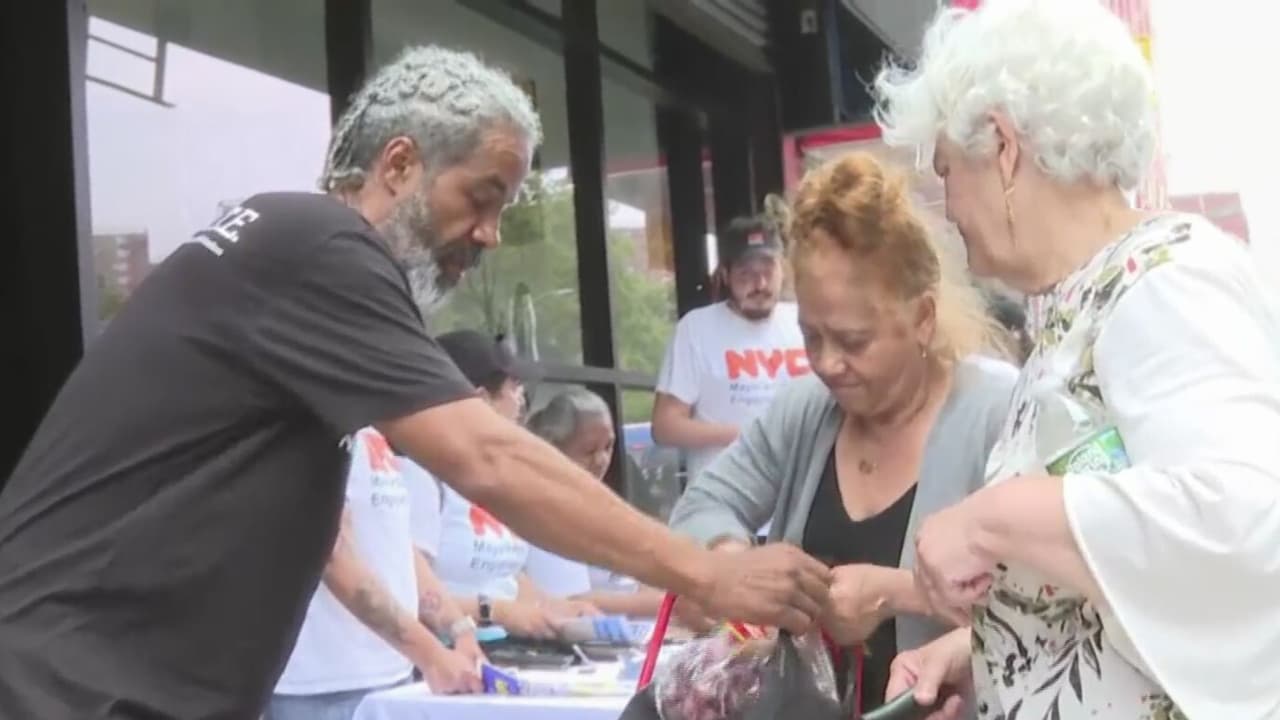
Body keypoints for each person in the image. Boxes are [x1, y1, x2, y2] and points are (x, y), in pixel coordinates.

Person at [0, 46, 831, 719]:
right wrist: (701, 570)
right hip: (68, 688)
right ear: (398, 163)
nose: (492, 234)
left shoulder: (286, 259)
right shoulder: (321, 246)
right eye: (482, 195)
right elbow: (489, 456)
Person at [872, 1, 1280, 718]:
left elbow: (1247, 522)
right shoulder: (1090, 299)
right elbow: (1130, 574)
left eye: (946, 171)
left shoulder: (1166, 279)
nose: (947, 207)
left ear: (1001, 146)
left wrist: (990, 519)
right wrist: (981, 650)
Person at [668, 151, 1017, 714]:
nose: (828, 364)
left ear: (922, 317)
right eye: (811, 337)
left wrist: (895, 592)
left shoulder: (999, 413)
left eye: (853, 341)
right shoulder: (807, 411)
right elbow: (703, 507)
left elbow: (1058, 604)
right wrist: (738, 564)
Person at [268, 428, 485, 720]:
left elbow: (396, 546)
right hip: (324, 686)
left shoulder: (370, 433)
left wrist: (459, 627)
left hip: (391, 674)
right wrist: (431, 656)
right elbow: (334, 557)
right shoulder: (319, 426)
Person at [407, 330, 595, 639]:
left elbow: (505, 575)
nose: (521, 400)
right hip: (451, 658)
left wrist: (555, 608)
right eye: (514, 388)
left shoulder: (494, 480)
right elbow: (409, 592)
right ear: (481, 400)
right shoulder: (421, 476)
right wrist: (498, 612)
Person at [652, 213, 810, 493]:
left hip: (801, 503)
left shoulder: (806, 322)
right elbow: (665, 425)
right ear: (725, 274)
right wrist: (746, 436)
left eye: (768, 270)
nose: (760, 284)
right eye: (746, 273)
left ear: (783, 269)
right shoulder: (696, 328)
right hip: (724, 503)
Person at [522, 387, 706, 628]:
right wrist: (673, 605)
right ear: (555, 449)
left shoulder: (596, 505)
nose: (601, 460)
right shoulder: (545, 512)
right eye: (589, 451)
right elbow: (571, 602)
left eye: (608, 447)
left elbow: (639, 577)